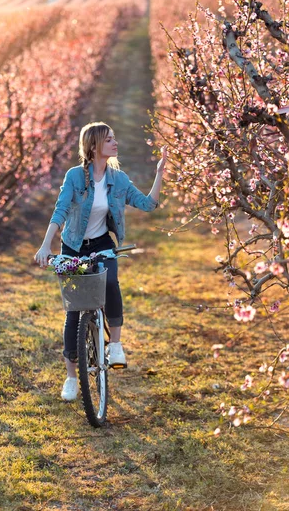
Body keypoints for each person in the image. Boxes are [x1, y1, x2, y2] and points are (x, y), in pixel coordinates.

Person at [34, 121, 167, 401]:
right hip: (72, 246)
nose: (114, 143)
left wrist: (159, 173)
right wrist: (46, 245)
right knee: (73, 311)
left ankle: (115, 345)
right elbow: (60, 212)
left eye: (114, 138)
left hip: (102, 244)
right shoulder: (74, 177)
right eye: (109, 140)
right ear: (94, 146)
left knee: (110, 283)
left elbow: (147, 205)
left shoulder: (118, 178)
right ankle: (72, 377)